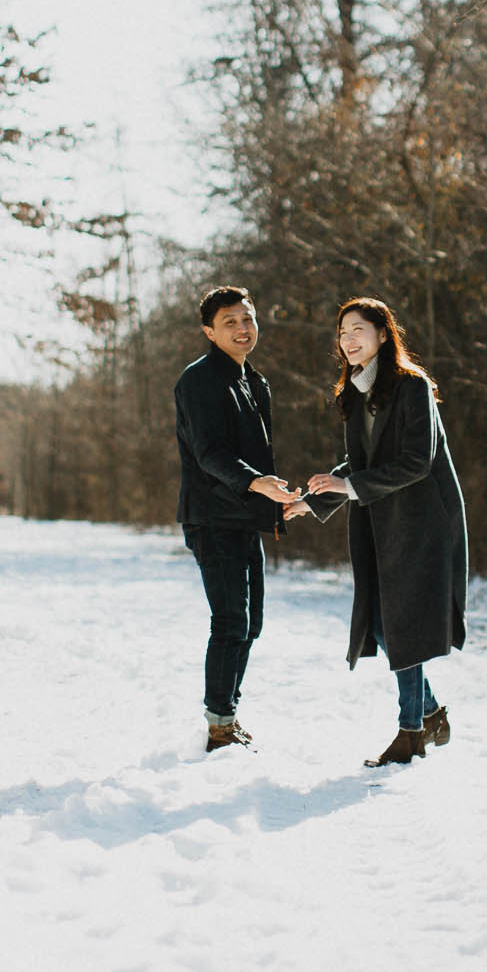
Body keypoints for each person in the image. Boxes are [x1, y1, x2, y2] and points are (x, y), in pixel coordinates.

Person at [290, 297, 468, 767]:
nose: (348, 340)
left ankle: (410, 732)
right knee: (385, 626)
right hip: (383, 519)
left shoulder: (413, 388)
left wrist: (349, 486)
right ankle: (429, 713)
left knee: (402, 624)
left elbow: (416, 461)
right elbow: (362, 464)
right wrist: (315, 499)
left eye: (358, 330)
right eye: (343, 332)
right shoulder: (354, 392)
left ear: (383, 334)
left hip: (424, 520)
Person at [174, 286, 302, 752]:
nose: (242, 328)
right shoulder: (199, 380)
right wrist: (255, 482)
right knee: (230, 620)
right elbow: (209, 455)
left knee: (251, 623)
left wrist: (275, 498)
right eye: (230, 322)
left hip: (245, 518)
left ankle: (227, 714)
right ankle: (219, 726)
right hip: (211, 518)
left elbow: (256, 456)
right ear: (209, 331)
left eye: (247, 319)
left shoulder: (255, 381)